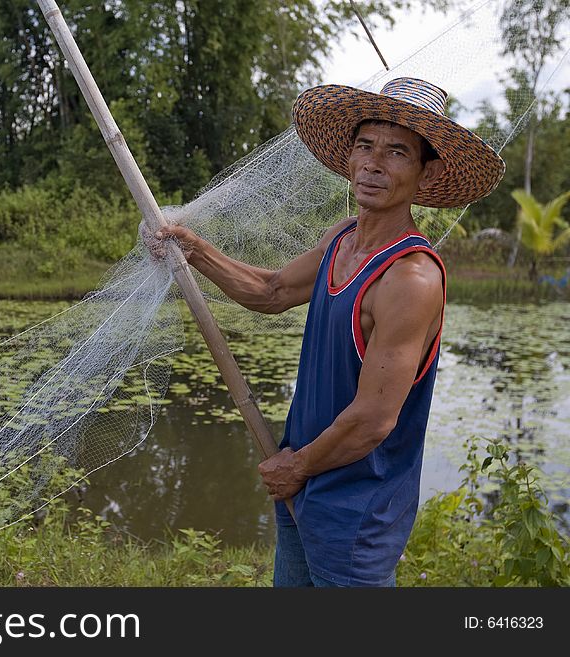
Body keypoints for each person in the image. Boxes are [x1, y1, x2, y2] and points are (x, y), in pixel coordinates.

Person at [150, 78, 505, 587]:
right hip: (304, 483)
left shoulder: (410, 277)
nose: (374, 163)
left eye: (397, 152)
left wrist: (296, 467)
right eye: (365, 146)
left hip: (357, 510)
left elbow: (372, 422)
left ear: (427, 174)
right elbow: (271, 292)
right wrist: (193, 250)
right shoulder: (341, 238)